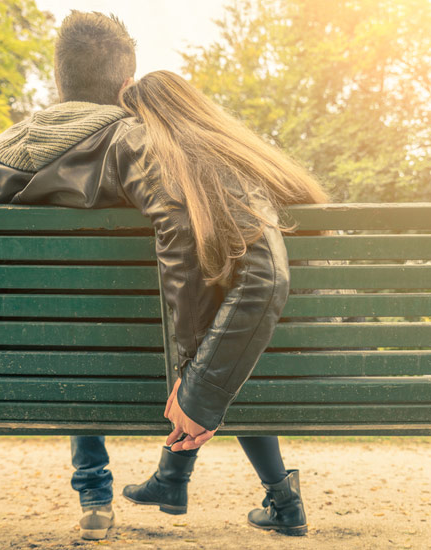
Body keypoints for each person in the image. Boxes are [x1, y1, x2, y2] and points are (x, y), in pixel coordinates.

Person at [0, 10, 327, 540]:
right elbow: (194, 238)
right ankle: (261, 489)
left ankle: (95, 492)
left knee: (74, 340)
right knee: (185, 302)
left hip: (19, 371)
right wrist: (194, 374)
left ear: (61, 81)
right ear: (127, 86)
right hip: (153, 374)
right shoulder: (143, 147)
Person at [115, 70, 328, 537]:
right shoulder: (245, 158)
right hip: (301, 343)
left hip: (267, 341)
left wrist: (196, 383)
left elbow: (263, 282)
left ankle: (182, 479)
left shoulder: (191, 174)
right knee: (224, 346)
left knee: (218, 350)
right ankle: (271, 497)